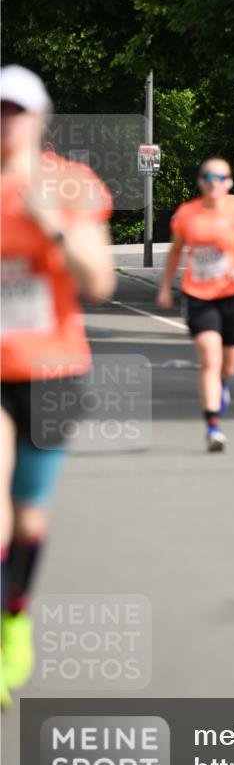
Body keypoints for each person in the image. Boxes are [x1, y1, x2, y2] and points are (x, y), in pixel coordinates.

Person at [0, 65, 115, 707]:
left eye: (16, 111)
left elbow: (98, 282)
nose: (6, 122)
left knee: (27, 512)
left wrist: (52, 226)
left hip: (52, 370)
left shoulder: (71, 184)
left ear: (40, 118)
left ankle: (14, 616)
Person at [157, 158, 234, 452]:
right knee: (209, 358)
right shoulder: (187, 214)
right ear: (201, 182)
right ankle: (213, 427)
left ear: (230, 182)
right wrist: (165, 287)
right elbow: (175, 252)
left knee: (229, 364)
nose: (214, 183)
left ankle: (223, 384)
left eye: (221, 178)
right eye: (208, 177)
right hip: (198, 295)